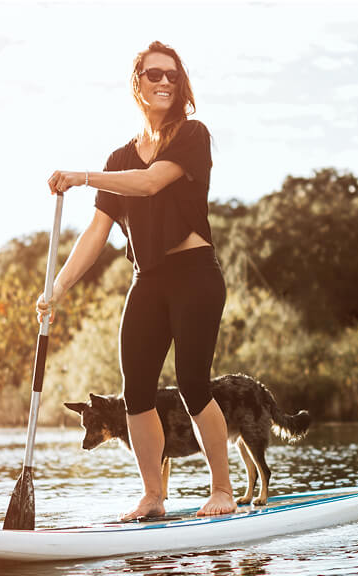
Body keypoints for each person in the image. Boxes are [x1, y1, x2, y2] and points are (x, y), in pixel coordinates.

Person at [37, 41, 235, 520]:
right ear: (138, 84)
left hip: (195, 276)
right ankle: (153, 497)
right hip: (148, 280)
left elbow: (148, 182)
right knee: (137, 392)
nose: (163, 81)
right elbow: (97, 232)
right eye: (153, 75)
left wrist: (86, 176)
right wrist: (56, 290)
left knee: (192, 383)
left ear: (180, 83)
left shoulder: (192, 135)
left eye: (171, 75)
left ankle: (223, 491)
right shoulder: (120, 155)